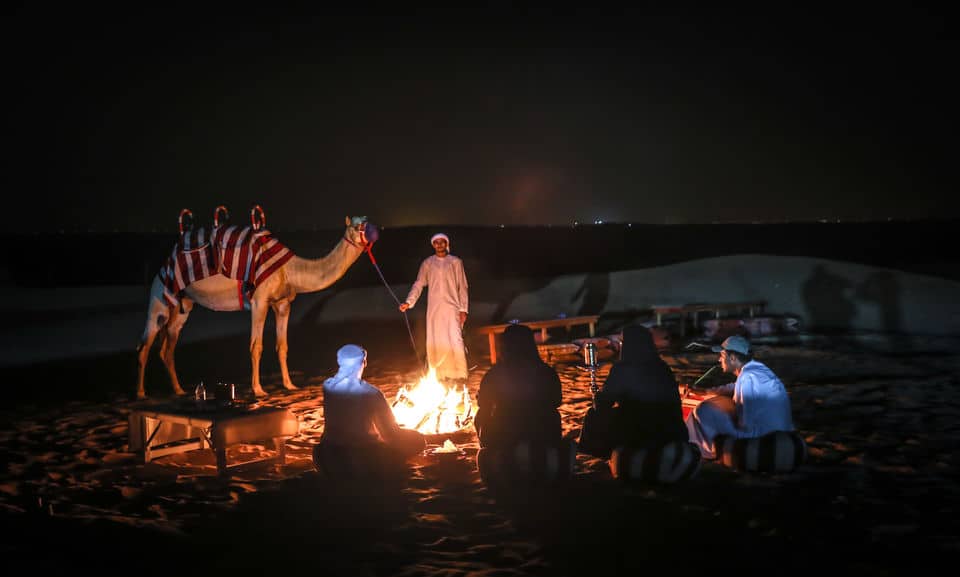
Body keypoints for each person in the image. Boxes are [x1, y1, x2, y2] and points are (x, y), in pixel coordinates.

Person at [580, 325, 688, 458]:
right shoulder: (662, 367)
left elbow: (604, 403)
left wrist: (597, 396)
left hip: (639, 430)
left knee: (594, 415)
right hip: (671, 430)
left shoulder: (622, 369)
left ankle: (596, 453)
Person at [685, 335, 794, 459]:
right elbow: (733, 387)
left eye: (721, 356)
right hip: (779, 431)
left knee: (702, 410)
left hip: (761, 438)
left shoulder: (748, 378)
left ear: (732, 358)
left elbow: (746, 425)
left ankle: (704, 450)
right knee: (720, 403)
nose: (719, 360)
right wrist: (706, 391)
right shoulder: (755, 370)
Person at [320, 344, 425, 460]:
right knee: (418, 440)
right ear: (363, 363)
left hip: (327, 454)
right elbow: (390, 435)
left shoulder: (328, 388)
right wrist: (412, 434)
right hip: (360, 458)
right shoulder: (372, 394)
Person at [474, 324, 562, 449]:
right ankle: (550, 449)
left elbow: (483, 404)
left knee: (481, 413)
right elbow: (557, 401)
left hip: (505, 437)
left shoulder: (494, 374)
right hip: (541, 435)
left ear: (505, 346)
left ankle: (488, 449)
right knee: (553, 414)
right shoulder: (547, 372)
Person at [398, 232, 470, 383]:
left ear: (446, 243)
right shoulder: (428, 263)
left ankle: (460, 374)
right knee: (436, 338)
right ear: (433, 245)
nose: (439, 245)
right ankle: (439, 375)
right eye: (436, 242)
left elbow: (462, 286)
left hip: (452, 307)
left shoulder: (455, 262)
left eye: (442, 242)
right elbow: (419, 284)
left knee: (455, 338)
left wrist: (463, 309)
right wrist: (409, 302)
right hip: (435, 308)